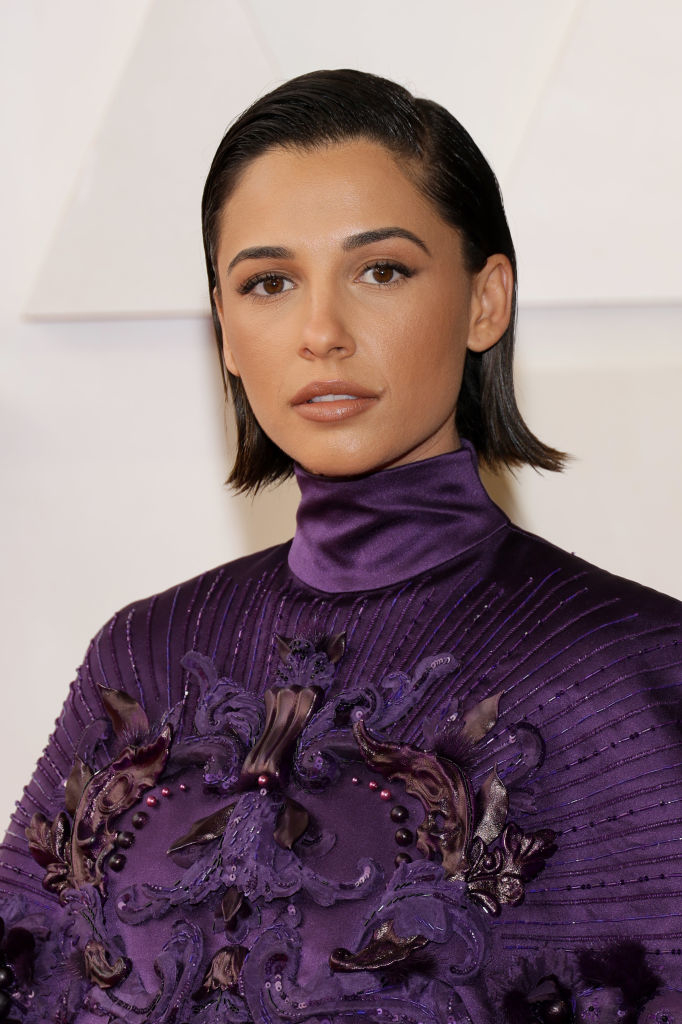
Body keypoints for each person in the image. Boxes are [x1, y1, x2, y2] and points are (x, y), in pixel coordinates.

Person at [0, 69, 680, 1024]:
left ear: (486, 301)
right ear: (227, 332)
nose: (321, 332)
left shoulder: (627, 667)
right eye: (270, 282)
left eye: (382, 271)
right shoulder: (142, 657)